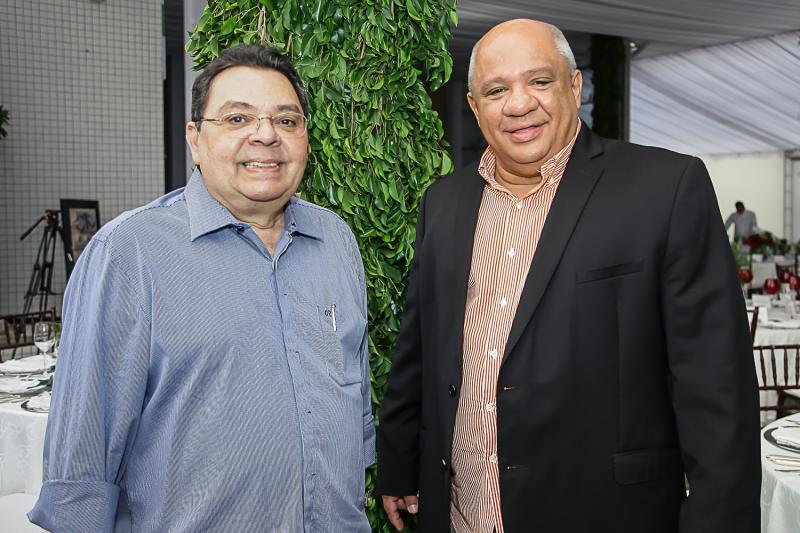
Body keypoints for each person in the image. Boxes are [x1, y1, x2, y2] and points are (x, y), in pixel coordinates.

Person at [377, 19, 759, 533]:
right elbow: (419, 347)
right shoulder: (442, 202)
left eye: (539, 81)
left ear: (574, 86)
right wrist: (400, 461)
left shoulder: (665, 188)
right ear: (474, 105)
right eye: (496, 90)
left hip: (605, 512)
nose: (518, 104)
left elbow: (717, 386)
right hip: (463, 513)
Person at [29, 45, 375, 532]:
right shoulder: (128, 253)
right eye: (237, 118)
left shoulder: (336, 240)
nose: (266, 135)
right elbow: (83, 462)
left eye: (286, 120)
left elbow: (354, 404)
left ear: (305, 139)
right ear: (195, 139)